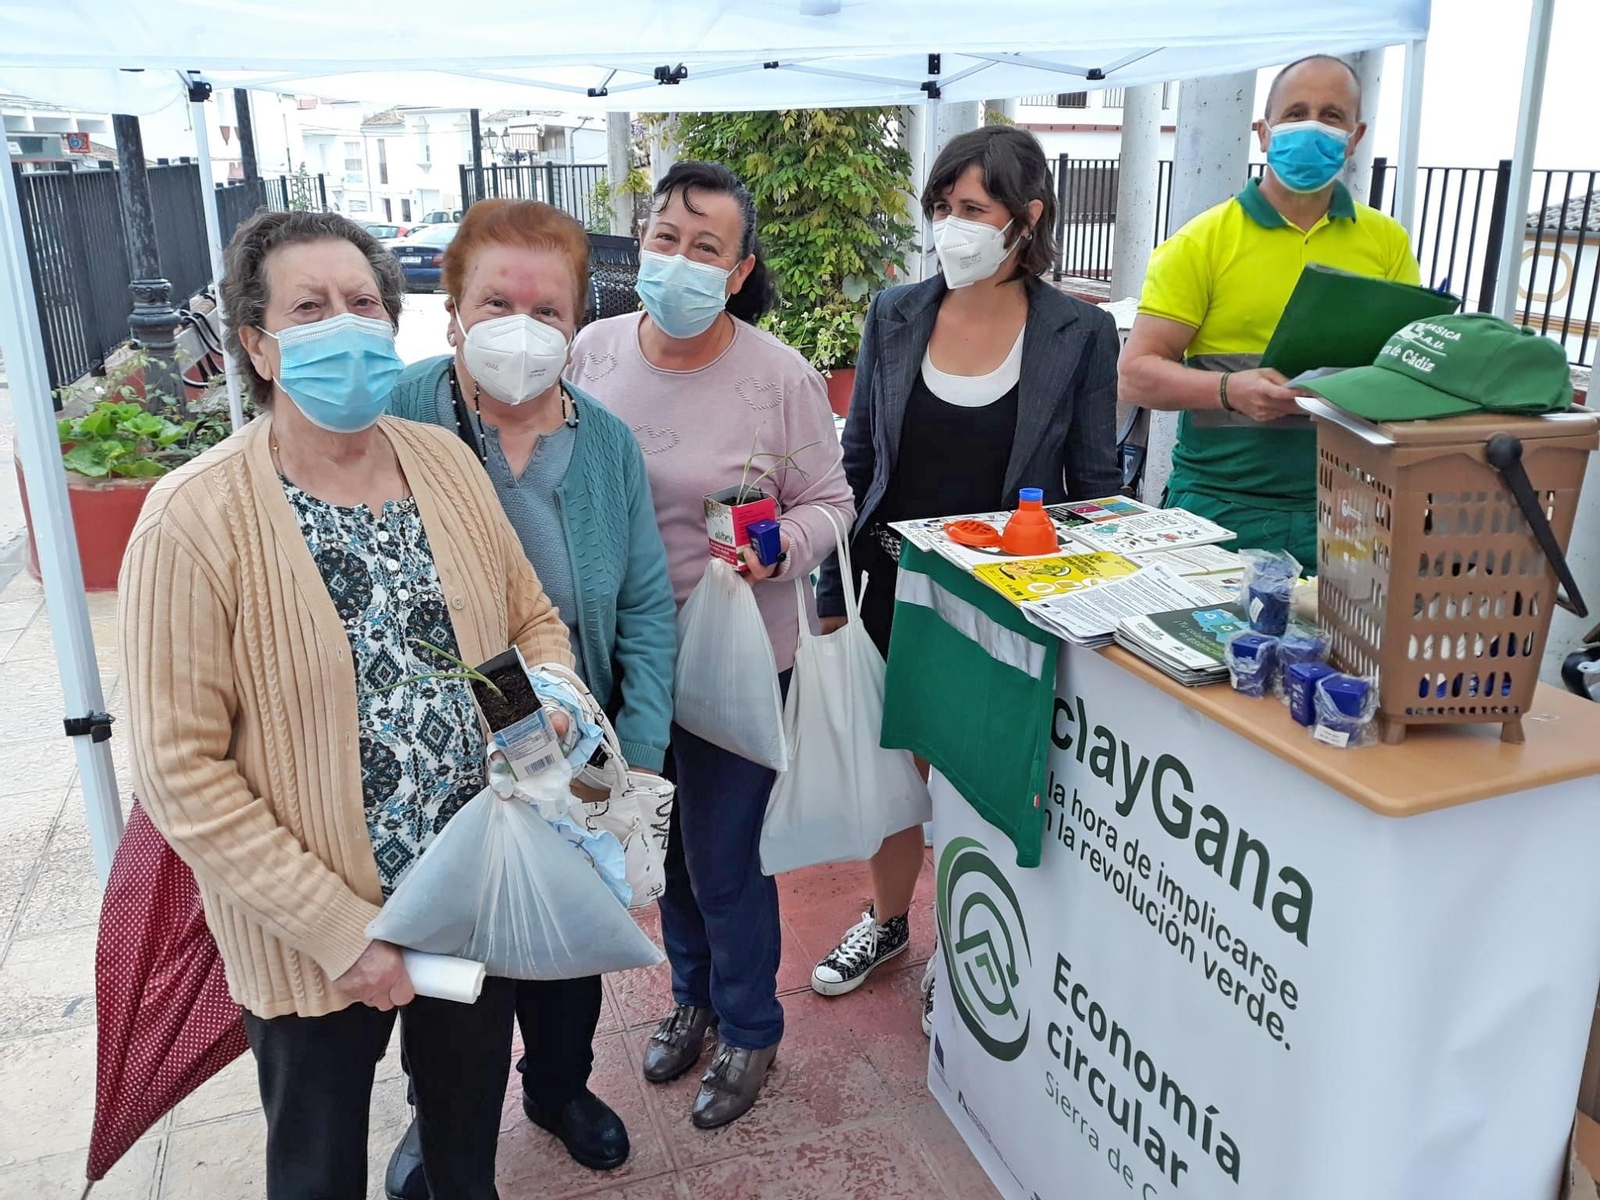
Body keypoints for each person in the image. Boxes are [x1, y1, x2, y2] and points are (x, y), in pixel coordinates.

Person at [119, 210, 588, 1199]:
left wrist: (539, 715)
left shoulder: (445, 463)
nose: (347, 324)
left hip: (465, 891)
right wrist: (343, 934)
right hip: (311, 938)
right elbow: (180, 769)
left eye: (364, 303)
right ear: (258, 343)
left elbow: (517, 624)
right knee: (318, 1171)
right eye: (310, 307)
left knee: (463, 1149)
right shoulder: (196, 518)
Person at [382, 198, 676, 1187]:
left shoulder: (606, 443)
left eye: (546, 310)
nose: (521, 327)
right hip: (432, 747)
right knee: (451, 955)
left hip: (576, 738)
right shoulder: (398, 415)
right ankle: (444, 1113)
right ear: (453, 309)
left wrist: (637, 757)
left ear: (577, 318)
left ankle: (557, 1088)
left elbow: (643, 606)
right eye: (495, 302)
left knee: (570, 942)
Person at [811, 125, 1120, 1031]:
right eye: (941, 209)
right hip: (892, 582)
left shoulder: (1079, 331)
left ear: (1026, 220)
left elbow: (1097, 483)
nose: (951, 228)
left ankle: (969, 940)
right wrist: (832, 596)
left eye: (972, 210)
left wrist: (1098, 603)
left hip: (1004, 599)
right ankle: (888, 920)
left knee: (977, 774)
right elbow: (858, 456)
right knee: (894, 769)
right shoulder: (895, 313)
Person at [567, 160, 854, 1129]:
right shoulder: (593, 353)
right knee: (664, 850)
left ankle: (749, 1025)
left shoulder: (779, 376)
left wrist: (784, 550)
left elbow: (833, 503)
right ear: (638, 244)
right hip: (626, 661)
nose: (679, 262)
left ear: (738, 271)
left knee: (726, 856)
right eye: (664, 239)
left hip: (739, 653)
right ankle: (689, 996)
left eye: (705, 249)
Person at [1120, 54, 1422, 568]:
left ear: (1356, 135)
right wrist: (1230, 390)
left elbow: (1406, 367)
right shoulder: (1202, 242)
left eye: (1331, 116)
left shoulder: (1387, 242)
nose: (1313, 126)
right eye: (1295, 111)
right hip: (1219, 508)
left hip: (1346, 512)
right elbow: (1135, 377)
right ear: (1263, 131)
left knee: (1333, 651)